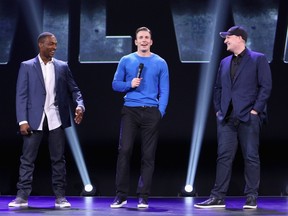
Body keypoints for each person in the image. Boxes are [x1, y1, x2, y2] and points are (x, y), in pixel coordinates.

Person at [194, 26, 272, 209]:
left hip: (248, 116)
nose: (225, 41)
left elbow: (265, 86)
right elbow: (218, 88)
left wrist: (256, 110)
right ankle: (218, 197)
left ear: (239, 38)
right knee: (223, 157)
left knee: (251, 156)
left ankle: (251, 196)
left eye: (228, 37)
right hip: (227, 118)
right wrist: (218, 110)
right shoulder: (225, 62)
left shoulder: (258, 59)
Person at [9, 32, 85, 208]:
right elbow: (21, 95)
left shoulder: (62, 66)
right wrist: (22, 120)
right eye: (51, 44)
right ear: (41, 45)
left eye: (55, 44)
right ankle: (22, 196)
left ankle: (60, 197)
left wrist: (80, 105)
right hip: (33, 119)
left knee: (58, 159)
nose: (54, 47)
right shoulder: (27, 66)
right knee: (27, 159)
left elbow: (75, 90)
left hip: (56, 118)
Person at [110, 26, 169, 209]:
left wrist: (161, 111)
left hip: (151, 111)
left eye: (146, 38)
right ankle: (121, 196)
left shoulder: (160, 62)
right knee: (125, 150)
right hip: (130, 110)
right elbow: (115, 84)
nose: (143, 40)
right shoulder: (126, 60)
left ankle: (143, 196)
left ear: (151, 41)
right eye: (140, 37)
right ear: (135, 41)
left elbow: (164, 89)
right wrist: (130, 84)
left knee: (148, 155)